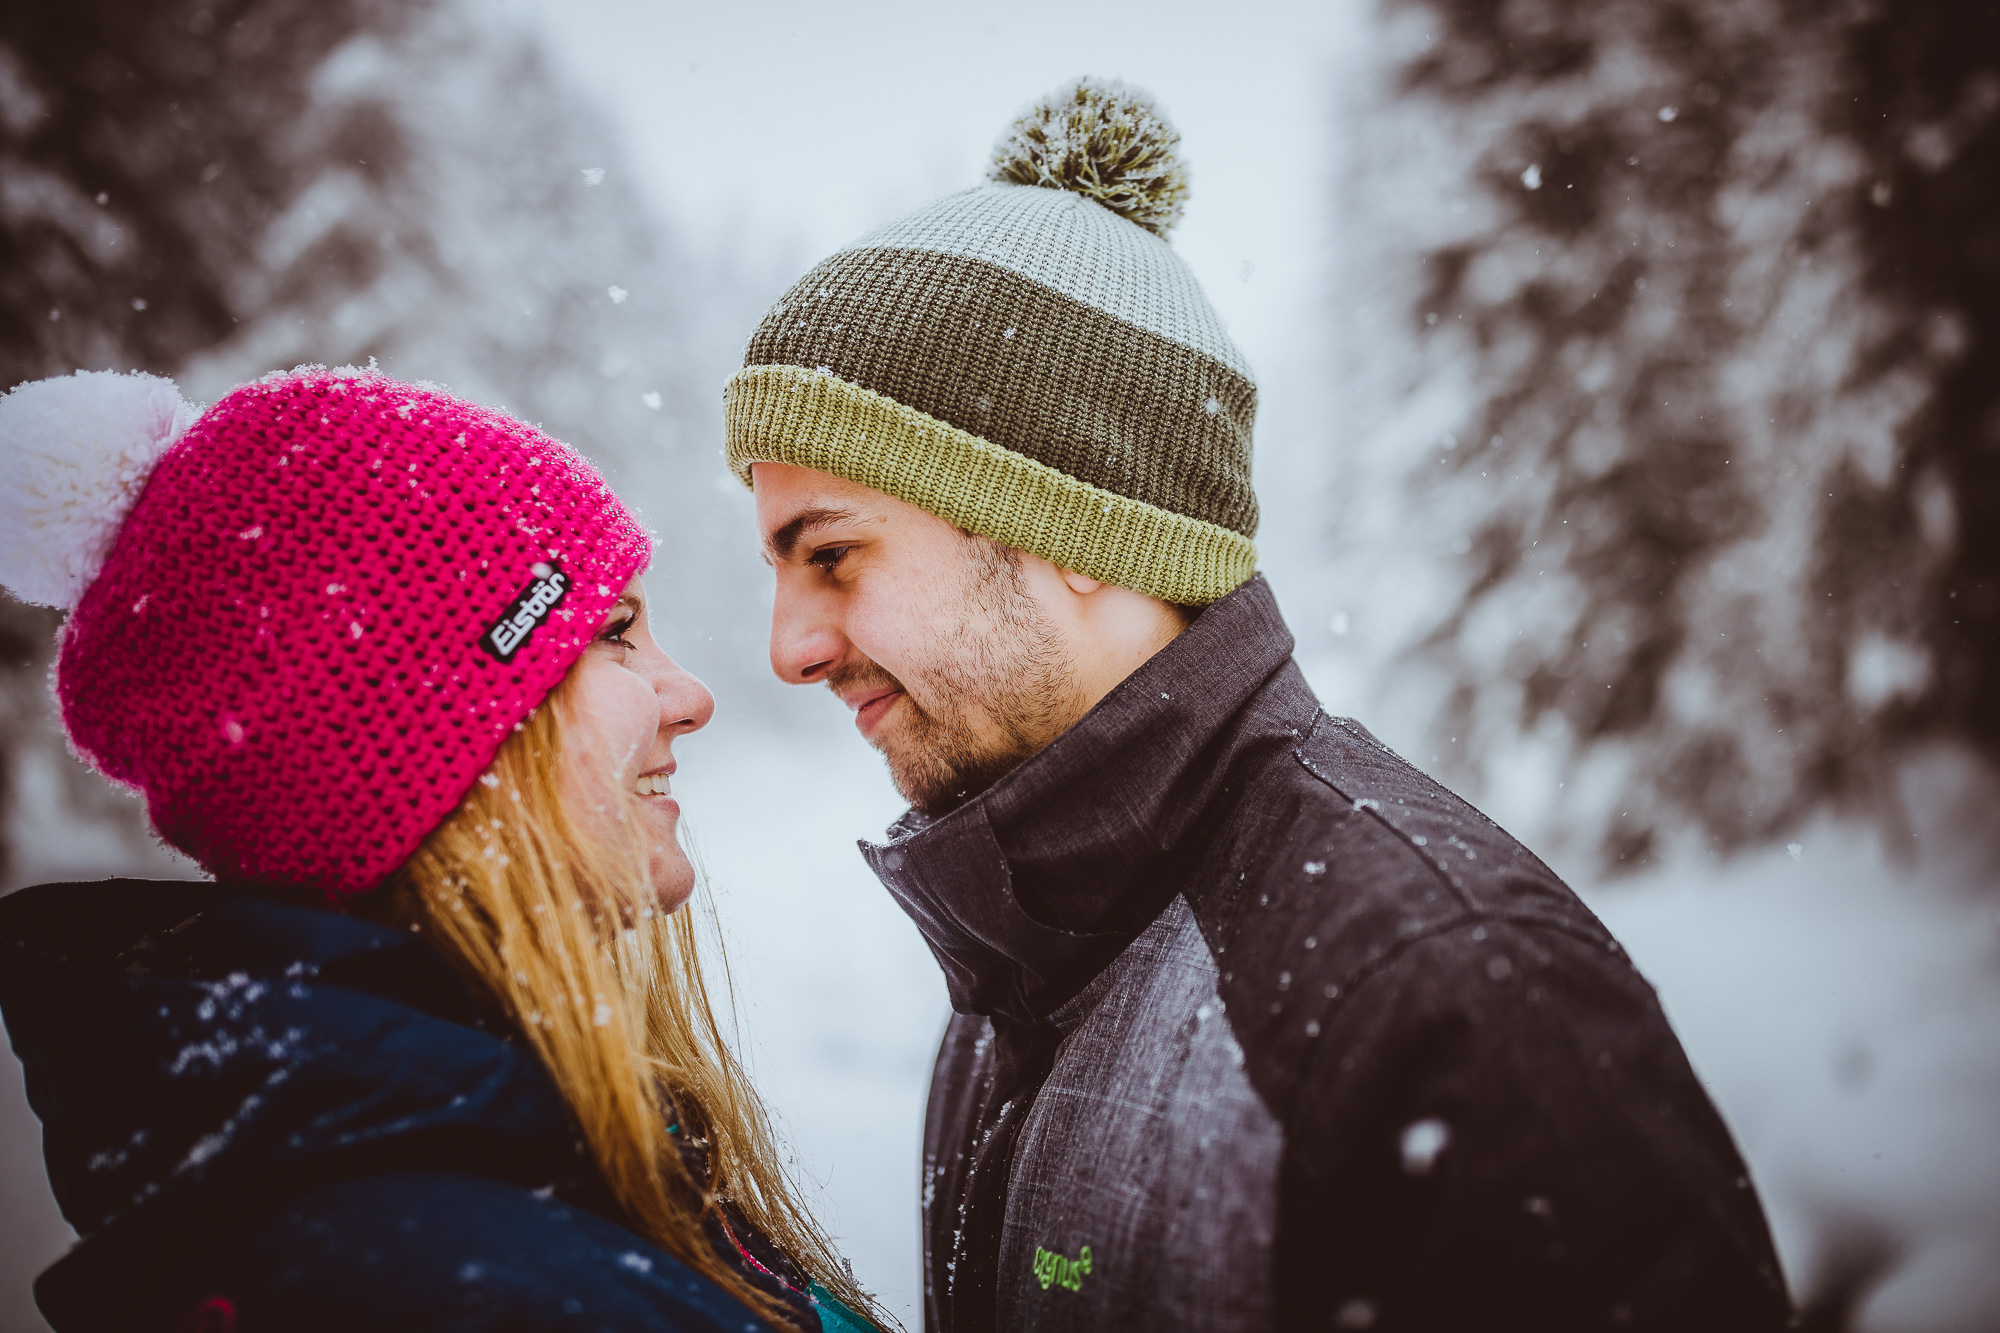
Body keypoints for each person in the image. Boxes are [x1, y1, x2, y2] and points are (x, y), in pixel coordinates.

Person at [726, 79, 1795, 1331]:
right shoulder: (1016, 970)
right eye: (778, 569)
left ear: (1076, 525)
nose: (789, 648)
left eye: (833, 554)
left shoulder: (1451, 997)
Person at [0, 366, 880, 1333]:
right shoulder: (473, 1289)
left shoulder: (474, 1191)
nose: (692, 696)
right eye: (616, 633)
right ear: (432, 740)